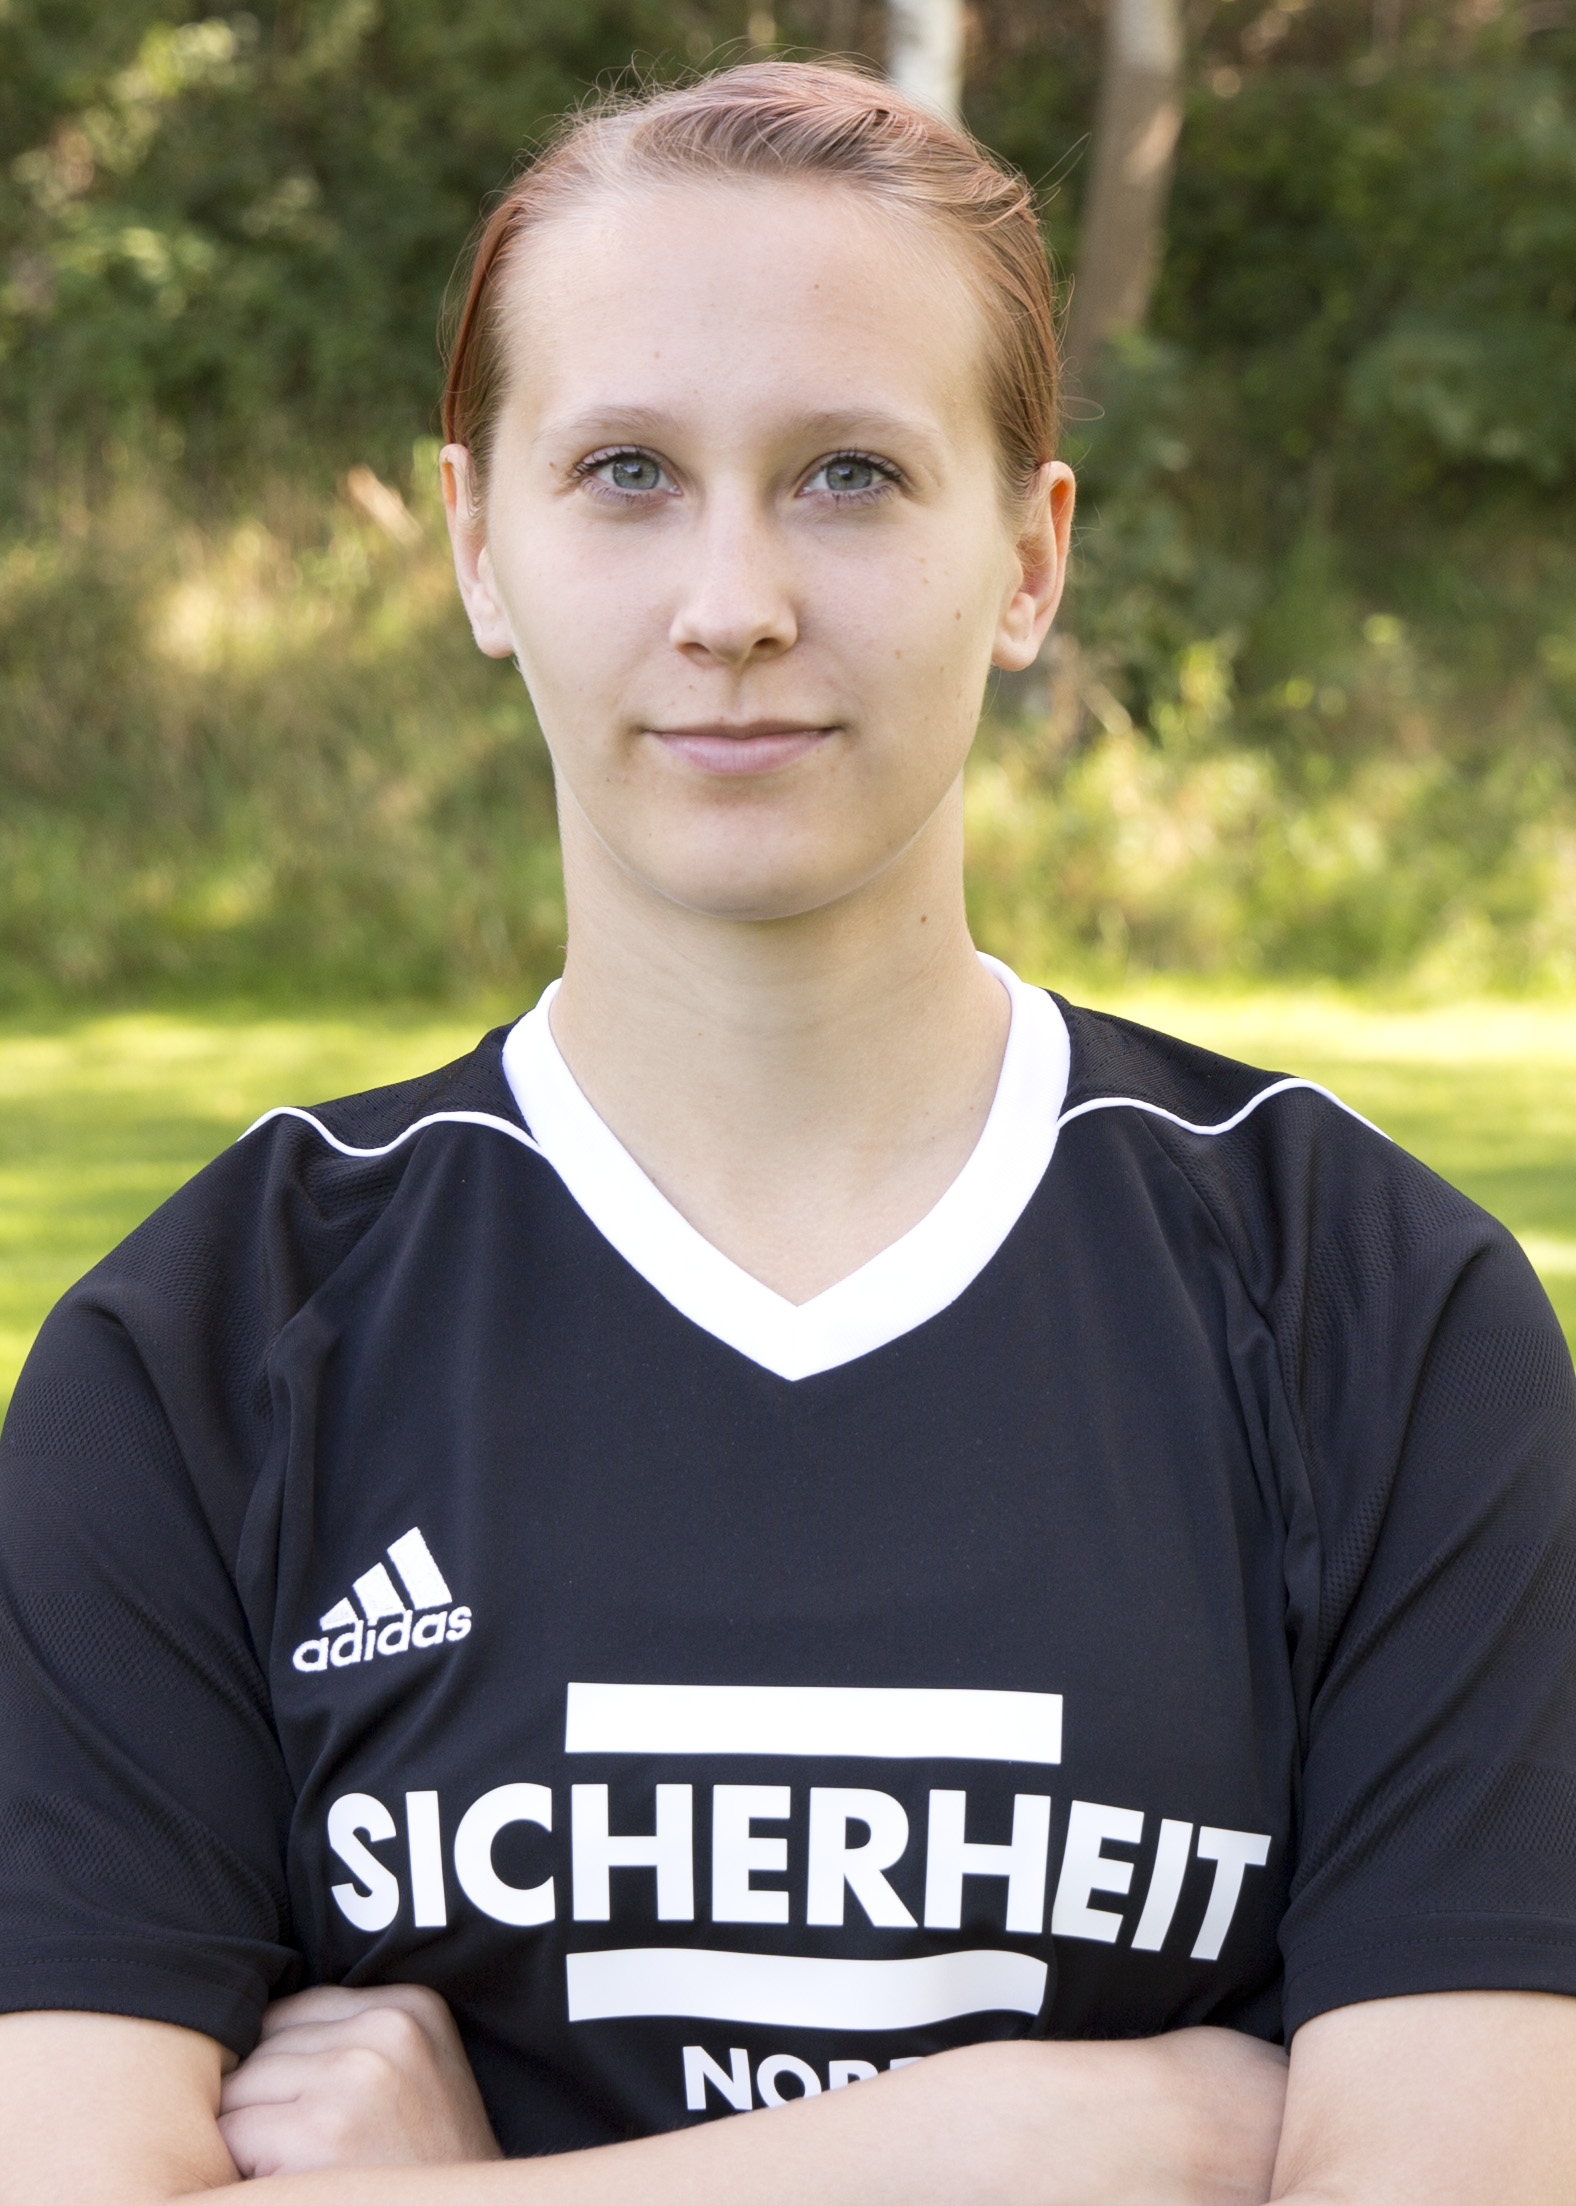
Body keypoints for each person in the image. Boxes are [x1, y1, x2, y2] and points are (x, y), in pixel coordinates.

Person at [2, 57, 1575, 2206]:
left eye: (848, 474)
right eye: (625, 471)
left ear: (1027, 558)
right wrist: (1037, 2140)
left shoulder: (1365, 1311)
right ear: (477, 542)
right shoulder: (208, 1345)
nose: (731, 598)